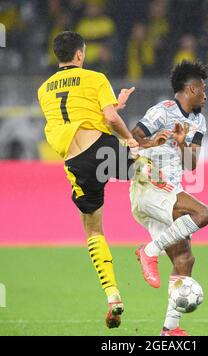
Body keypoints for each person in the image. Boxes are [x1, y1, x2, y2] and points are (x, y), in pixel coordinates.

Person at [38, 31, 138, 329]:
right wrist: (130, 139)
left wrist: (113, 108)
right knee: (152, 170)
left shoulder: (43, 90)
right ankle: (158, 247)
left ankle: (112, 295)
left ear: (58, 55)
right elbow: (107, 119)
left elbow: (73, 116)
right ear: (80, 54)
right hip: (102, 148)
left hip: (77, 163)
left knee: (93, 229)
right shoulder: (95, 78)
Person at [130, 60, 208, 336]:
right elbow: (133, 138)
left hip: (169, 193)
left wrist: (180, 143)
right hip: (150, 186)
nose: (205, 94)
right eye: (202, 89)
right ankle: (149, 251)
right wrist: (151, 142)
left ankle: (170, 330)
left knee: (185, 259)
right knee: (203, 214)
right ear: (191, 88)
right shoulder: (161, 112)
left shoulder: (198, 120)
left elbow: (191, 165)